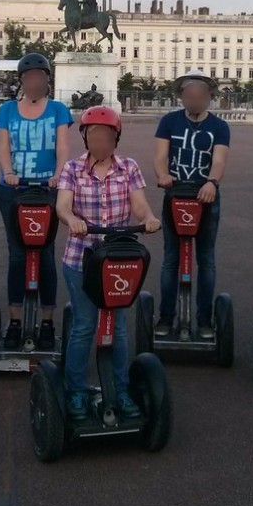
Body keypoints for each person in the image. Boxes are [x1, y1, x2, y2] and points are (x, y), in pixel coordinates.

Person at [56, 106, 161, 421]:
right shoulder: (72, 169)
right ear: (85, 137)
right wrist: (72, 219)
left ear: (116, 138)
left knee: (117, 328)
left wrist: (149, 218)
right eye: (94, 135)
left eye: (106, 135)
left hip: (117, 259)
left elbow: (139, 205)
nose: (100, 140)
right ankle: (76, 392)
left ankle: (121, 390)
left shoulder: (128, 167)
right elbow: (62, 205)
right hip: (81, 259)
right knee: (85, 325)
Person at [0, 52, 72, 349]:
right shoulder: (8, 110)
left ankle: (48, 321)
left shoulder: (58, 110)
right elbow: (3, 147)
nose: (34, 81)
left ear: (47, 80)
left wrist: (59, 174)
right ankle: (15, 320)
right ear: (22, 80)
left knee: (46, 255)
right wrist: (9, 172)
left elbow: (63, 147)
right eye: (29, 77)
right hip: (13, 191)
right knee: (17, 255)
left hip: (47, 190)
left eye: (40, 77)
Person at [152, 69, 230, 339]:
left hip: (206, 197)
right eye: (190, 96)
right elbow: (161, 156)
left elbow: (218, 160)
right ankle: (165, 317)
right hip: (176, 196)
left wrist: (212, 182)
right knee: (171, 259)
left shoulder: (219, 127)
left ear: (210, 98)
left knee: (206, 260)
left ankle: (204, 320)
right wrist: (163, 175)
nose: (195, 101)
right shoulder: (169, 122)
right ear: (182, 97)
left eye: (201, 96)